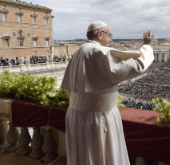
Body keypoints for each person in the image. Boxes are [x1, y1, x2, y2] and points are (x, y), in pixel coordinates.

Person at [61, 21, 155, 165]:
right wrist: (147, 46)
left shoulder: (78, 52)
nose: (111, 40)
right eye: (110, 35)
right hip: (97, 117)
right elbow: (138, 65)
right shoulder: (98, 52)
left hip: (75, 115)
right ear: (100, 34)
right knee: (101, 155)